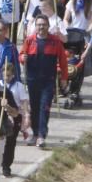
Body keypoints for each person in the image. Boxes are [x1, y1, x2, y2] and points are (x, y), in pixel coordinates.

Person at [21, 15, 68, 147]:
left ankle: (42, 135)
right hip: (32, 80)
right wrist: (22, 58)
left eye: (44, 24)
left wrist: (64, 78)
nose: (41, 27)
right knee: (34, 108)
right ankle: (35, 134)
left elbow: (63, 61)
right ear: (35, 27)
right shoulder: (29, 41)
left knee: (44, 108)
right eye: (39, 25)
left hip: (48, 80)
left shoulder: (55, 41)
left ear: (48, 26)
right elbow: (21, 55)